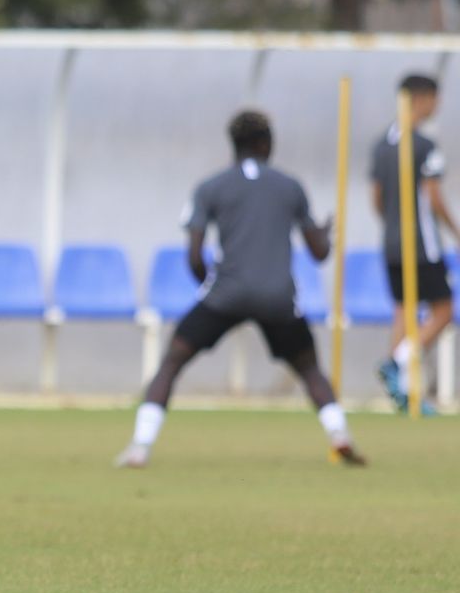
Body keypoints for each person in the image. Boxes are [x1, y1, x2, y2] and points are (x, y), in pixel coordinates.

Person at [116, 110, 367, 469]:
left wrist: (209, 285)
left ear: (233, 145)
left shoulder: (210, 187)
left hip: (225, 295)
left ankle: (140, 446)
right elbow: (319, 253)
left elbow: (194, 252)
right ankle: (339, 435)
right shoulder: (290, 186)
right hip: (279, 298)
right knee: (310, 369)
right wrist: (326, 234)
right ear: (266, 144)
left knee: (172, 361)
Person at [369, 74, 457, 414]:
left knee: (403, 311)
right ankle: (396, 361)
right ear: (422, 99)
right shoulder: (424, 146)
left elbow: (376, 197)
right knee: (444, 309)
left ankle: (403, 393)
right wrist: (456, 233)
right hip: (423, 244)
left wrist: (391, 223)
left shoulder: (382, 145)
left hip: (391, 241)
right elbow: (433, 197)